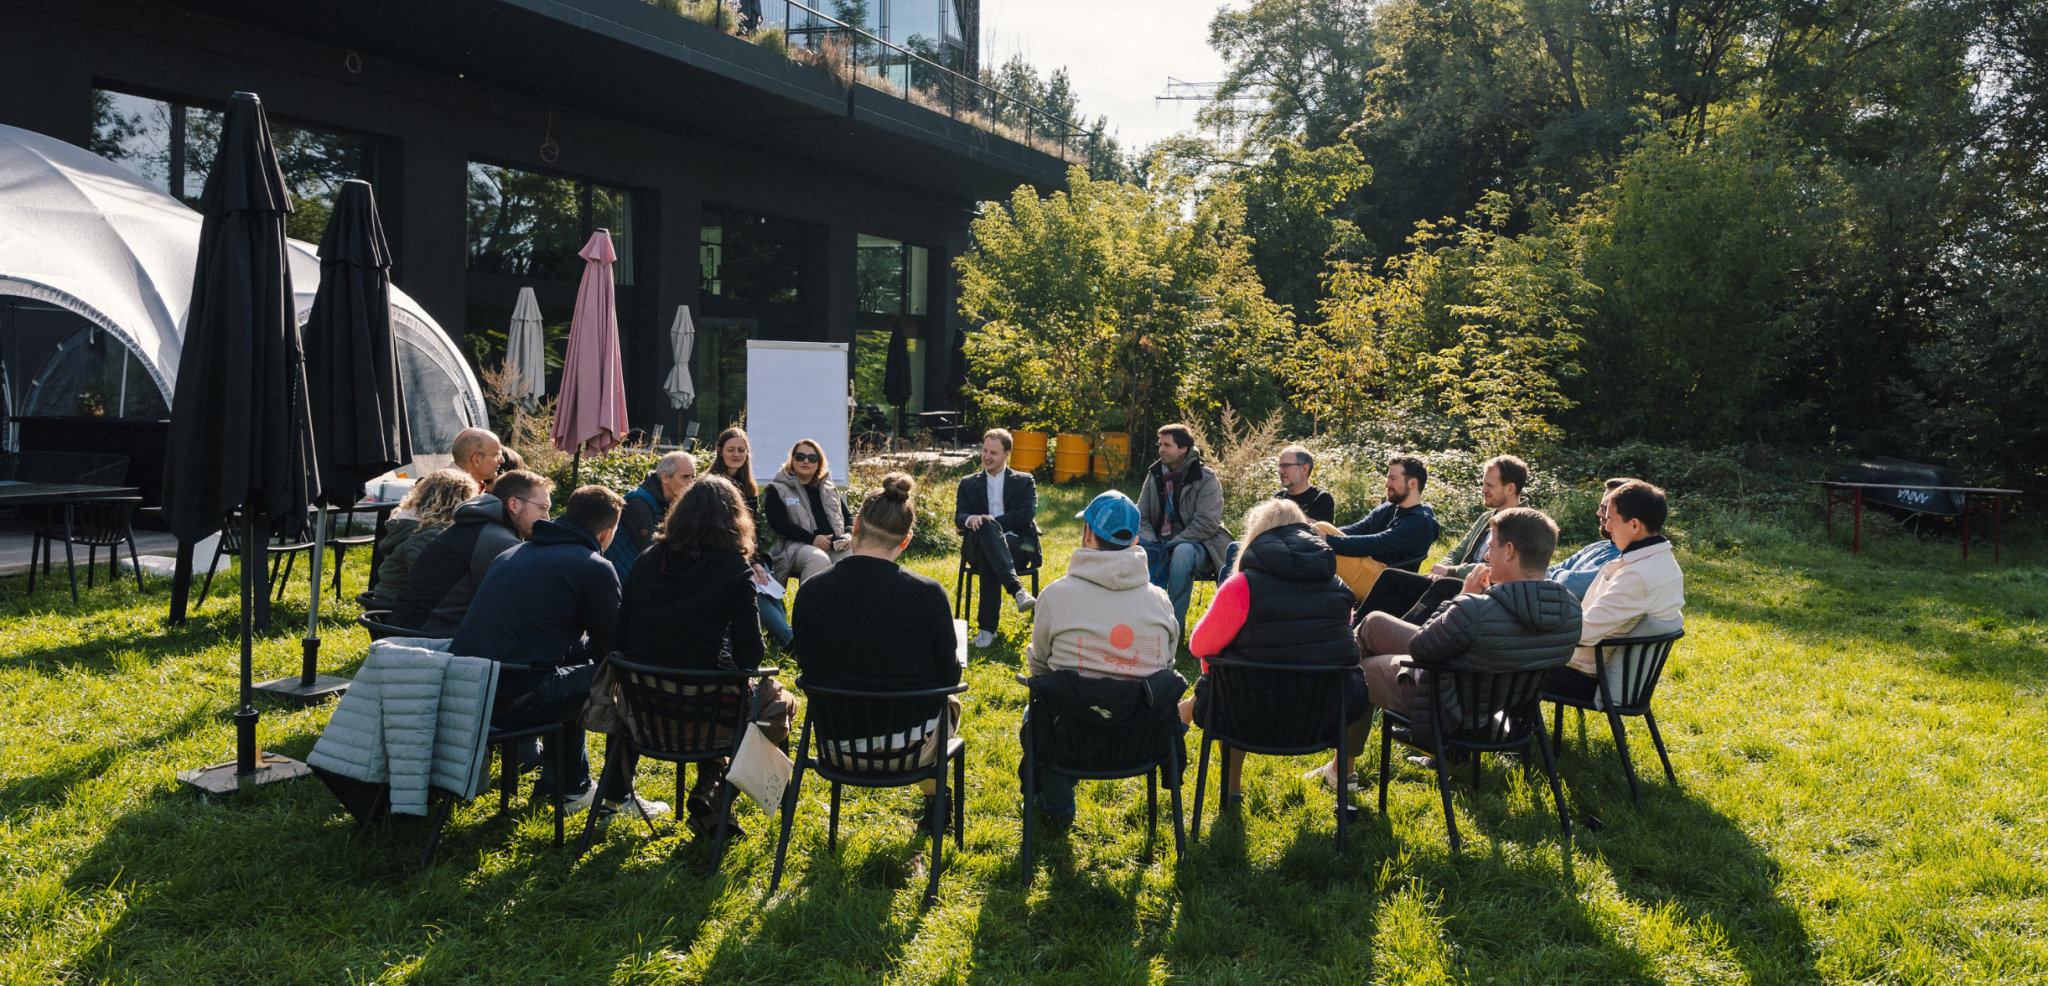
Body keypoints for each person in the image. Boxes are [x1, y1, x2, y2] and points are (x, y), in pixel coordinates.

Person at [1317, 506, 1581, 784]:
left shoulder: (1476, 609)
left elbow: (1421, 648)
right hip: (1500, 708)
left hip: (1443, 704)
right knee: (1374, 623)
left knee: (1357, 669)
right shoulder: (1571, 611)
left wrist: (1464, 596)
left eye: (1491, 546)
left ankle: (1340, 770)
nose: (1487, 555)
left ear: (1510, 550)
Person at [602, 474, 795, 835]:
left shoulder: (647, 560)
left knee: (718, 694)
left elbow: (621, 632)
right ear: (735, 520)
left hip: (644, 710)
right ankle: (716, 791)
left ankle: (710, 790)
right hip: (708, 713)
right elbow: (751, 655)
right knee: (779, 702)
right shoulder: (733, 567)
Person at [1178, 499, 1365, 804]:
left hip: (1248, 716)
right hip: (1320, 719)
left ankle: (1232, 792)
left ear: (1257, 537)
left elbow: (1200, 646)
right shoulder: (1340, 588)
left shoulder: (1242, 586)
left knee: (1232, 671)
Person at [452, 485, 626, 810]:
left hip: (467, 693)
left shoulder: (512, 553)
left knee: (574, 679)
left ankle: (565, 785)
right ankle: (613, 797)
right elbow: (612, 653)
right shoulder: (593, 566)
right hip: (514, 701)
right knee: (623, 682)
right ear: (606, 533)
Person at [791, 473, 960, 795]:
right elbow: (948, 677)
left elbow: (808, 660)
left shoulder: (811, 591)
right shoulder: (928, 594)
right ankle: (935, 800)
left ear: (855, 527)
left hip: (836, 747)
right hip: (910, 750)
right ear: (906, 540)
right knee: (947, 701)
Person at [1023, 489, 1182, 818]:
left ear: (1088, 532)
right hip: (1141, 740)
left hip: (1069, 738)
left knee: (1035, 713)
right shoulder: (1160, 600)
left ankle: (1056, 806)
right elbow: (1166, 666)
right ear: (1135, 538)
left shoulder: (1055, 596)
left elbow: (1038, 667)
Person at [1547, 481, 1684, 705]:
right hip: (1595, 666)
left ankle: (1498, 735)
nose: (1607, 527)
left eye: (1611, 519)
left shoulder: (1637, 576)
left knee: (1503, 660)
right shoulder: (1662, 562)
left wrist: (1536, 623)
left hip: (1587, 677)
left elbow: (1584, 632)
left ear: (1634, 525)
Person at [387, 470, 552, 636]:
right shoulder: (498, 541)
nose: (547, 518)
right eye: (542, 508)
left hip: (415, 632)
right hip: (425, 642)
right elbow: (525, 604)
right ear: (514, 504)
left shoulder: (480, 526)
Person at [1137, 423, 1233, 635]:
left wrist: (1171, 544)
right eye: (1160, 444)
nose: (1161, 449)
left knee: (1181, 553)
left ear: (1184, 449)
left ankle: (1172, 629)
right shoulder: (1154, 475)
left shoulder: (1206, 479)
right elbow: (1141, 516)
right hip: (1159, 540)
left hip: (1199, 544)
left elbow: (1206, 523)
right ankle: (1140, 623)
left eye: (1167, 445)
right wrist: (1151, 542)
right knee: (1135, 550)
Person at [706, 427, 794, 650]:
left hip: (744, 552)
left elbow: (751, 531)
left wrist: (755, 561)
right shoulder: (710, 485)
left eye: (741, 450)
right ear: (719, 451)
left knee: (765, 574)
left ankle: (784, 636)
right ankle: (788, 638)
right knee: (752, 582)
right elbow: (716, 532)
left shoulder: (748, 487)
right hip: (718, 553)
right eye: (731, 449)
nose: (736, 454)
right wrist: (747, 563)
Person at [1331, 456, 1449, 620]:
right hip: (1367, 567)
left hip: (1382, 580)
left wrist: (1327, 540)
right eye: (1388, 478)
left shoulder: (1419, 521)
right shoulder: (1388, 507)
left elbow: (1376, 543)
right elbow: (1358, 529)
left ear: (1412, 483)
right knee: (1319, 528)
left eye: (1393, 479)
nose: (1387, 484)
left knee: (1322, 546)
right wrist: (1320, 533)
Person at [955, 428, 1039, 648]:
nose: (986, 456)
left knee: (989, 552)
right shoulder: (968, 482)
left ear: (1006, 454)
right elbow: (959, 516)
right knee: (986, 538)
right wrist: (973, 519)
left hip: (1017, 547)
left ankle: (986, 630)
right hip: (976, 545)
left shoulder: (1024, 481)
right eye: (984, 450)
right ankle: (1017, 591)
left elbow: (1025, 515)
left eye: (993, 452)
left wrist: (991, 523)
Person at [367, 469, 478, 607]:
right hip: (398, 614)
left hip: (396, 604)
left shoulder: (415, 525)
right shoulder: (426, 534)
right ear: (458, 503)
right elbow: (433, 583)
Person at [1222, 444, 1336, 575]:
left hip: (1300, 558)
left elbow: (1317, 532)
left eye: (1286, 466)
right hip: (1271, 549)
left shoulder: (1321, 498)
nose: (1280, 471)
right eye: (1280, 466)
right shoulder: (1279, 497)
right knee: (1233, 550)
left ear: (1304, 469)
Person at [763, 439, 852, 587]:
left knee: (853, 559)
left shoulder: (828, 487)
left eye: (812, 458)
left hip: (834, 546)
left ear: (818, 463)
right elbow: (778, 524)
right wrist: (812, 539)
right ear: (792, 460)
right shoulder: (777, 488)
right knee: (818, 559)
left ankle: (842, 609)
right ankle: (807, 609)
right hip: (795, 547)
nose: (806, 461)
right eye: (800, 457)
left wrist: (848, 534)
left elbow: (848, 517)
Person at [1431, 455, 1528, 580]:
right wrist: (1441, 569)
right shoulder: (1486, 518)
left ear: (1510, 488)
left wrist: (1451, 571)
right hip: (1459, 582)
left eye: (1490, 485)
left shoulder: (1527, 524)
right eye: (1483, 484)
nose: (1483, 490)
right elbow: (1459, 551)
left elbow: (1500, 568)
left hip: (1488, 591)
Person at [603, 450, 697, 579]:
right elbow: (651, 552)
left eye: (693, 477)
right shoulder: (639, 503)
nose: (691, 483)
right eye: (685, 477)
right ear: (665, 477)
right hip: (625, 579)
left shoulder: (672, 500)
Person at [1546, 479, 1629, 598]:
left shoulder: (1626, 557)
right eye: (1601, 506)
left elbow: (1570, 584)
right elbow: (1545, 570)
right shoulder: (1597, 546)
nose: (1599, 513)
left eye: (1606, 508)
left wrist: (1557, 576)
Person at [450, 427, 504, 491]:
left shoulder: (452, 488)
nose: (502, 460)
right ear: (476, 460)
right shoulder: (450, 492)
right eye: (496, 455)